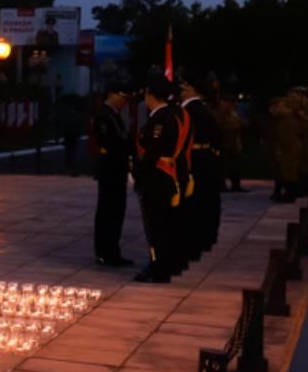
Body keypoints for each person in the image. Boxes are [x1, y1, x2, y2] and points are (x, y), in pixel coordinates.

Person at [133, 75, 185, 283]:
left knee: (156, 224)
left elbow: (152, 152)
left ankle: (159, 267)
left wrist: (138, 173)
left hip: (157, 176)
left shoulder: (161, 119)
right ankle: (162, 263)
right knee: (159, 223)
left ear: (151, 95)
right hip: (158, 175)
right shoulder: (165, 116)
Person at [179, 75, 222, 256]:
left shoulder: (189, 110)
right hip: (205, 158)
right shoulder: (201, 109)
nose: (181, 91)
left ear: (194, 91)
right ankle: (205, 238)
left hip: (194, 159)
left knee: (194, 201)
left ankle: (195, 240)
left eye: (185, 88)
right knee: (205, 200)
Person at [90, 88, 134, 267]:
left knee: (116, 211)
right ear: (111, 95)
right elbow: (108, 141)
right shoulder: (104, 115)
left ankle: (112, 250)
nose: (124, 101)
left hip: (117, 168)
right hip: (110, 169)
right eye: (122, 97)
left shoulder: (114, 114)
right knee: (108, 211)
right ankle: (106, 252)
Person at [210, 82, 247, 192]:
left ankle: (236, 185)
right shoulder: (218, 113)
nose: (232, 105)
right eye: (229, 103)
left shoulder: (233, 114)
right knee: (222, 167)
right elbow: (220, 127)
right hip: (223, 144)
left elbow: (242, 124)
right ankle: (221, 185)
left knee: (234, 166)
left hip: (233, 144)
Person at [267, 94, 302, 201]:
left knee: (289, 173)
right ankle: (287, 193)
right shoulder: (282, 119)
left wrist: (281, 150)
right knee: (284, 172)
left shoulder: (289, 120)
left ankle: (290, 195)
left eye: (279, 106)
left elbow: (288, 138)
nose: (277, 109)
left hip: (288, 151)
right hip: (285, 150)